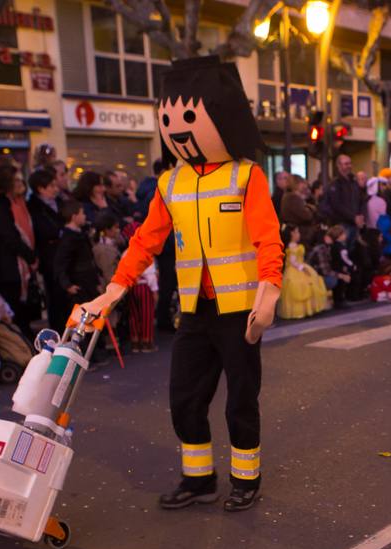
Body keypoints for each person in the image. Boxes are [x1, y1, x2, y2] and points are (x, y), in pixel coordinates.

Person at [83, 55, 283, 513]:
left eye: (189, 117)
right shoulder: (170, 183)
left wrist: (268, 290)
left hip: (239, 312)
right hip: (194, 310)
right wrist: (115, 288)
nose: (177, 127)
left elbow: (267, 239)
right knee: (185, 398)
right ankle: (198, 480)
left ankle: (245, 481)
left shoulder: (245, 175)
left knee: (241, 400)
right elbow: (144, 241)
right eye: (169, 117)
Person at [0, 164, 38, 332]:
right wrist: (30, 256)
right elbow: (9, 236)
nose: (18, 183)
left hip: (9, 263)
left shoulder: (0, 202)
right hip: (7, 264)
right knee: (15, 309)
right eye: (15, 180)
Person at [51, 200, 99, 334]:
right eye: (82, 213)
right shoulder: (68, 238)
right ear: (74, 216)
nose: (85, 216)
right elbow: (61, 263)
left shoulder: (80, 235)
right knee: (81, 320)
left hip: (88, 281)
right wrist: (67, 284)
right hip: (79, 283)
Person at [277, 225, 325, 319]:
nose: (299, 234)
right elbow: (293, 261)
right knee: (302, 286)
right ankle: (304, 310)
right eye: (297, 232)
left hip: (298, 266)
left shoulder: (294, 245)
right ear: (292, 234)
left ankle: (306, 309)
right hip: (296, 269)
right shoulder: (292, 246)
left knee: (308, 284)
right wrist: (302, 268)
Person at [318, 154, 362, 228]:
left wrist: (360, 216)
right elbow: (336, 205)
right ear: (339, 166)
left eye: (350, 163)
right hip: (341, 225)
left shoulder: (353, 182)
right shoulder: (335, 184)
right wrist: (353, 217)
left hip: (354, 224)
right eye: (346, 164)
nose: (349, 166)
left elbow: (358, 200)